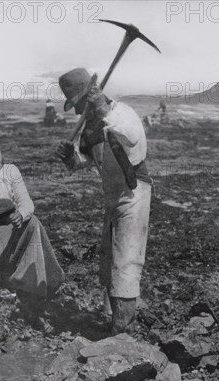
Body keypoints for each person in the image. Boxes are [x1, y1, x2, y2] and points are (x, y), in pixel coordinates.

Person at [55, 68, 151, 334]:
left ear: (90, 97)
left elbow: (130, 137)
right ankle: (112, 318)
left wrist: (103, 110)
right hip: (112, 197)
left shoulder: (121, 113)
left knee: (126, 260)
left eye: (78, 104)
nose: (76, 112)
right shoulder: (90, 127)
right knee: (108, 258)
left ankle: (124, 328)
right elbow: (84, 162)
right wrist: (69, 158)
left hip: (134, 194)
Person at [0, 141, 65, 311]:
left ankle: (31, 285)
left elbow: (27, 203)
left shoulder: (10, 173)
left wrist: (21, 214)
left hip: (12, 229)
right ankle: (2, 273)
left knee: (33, 223)